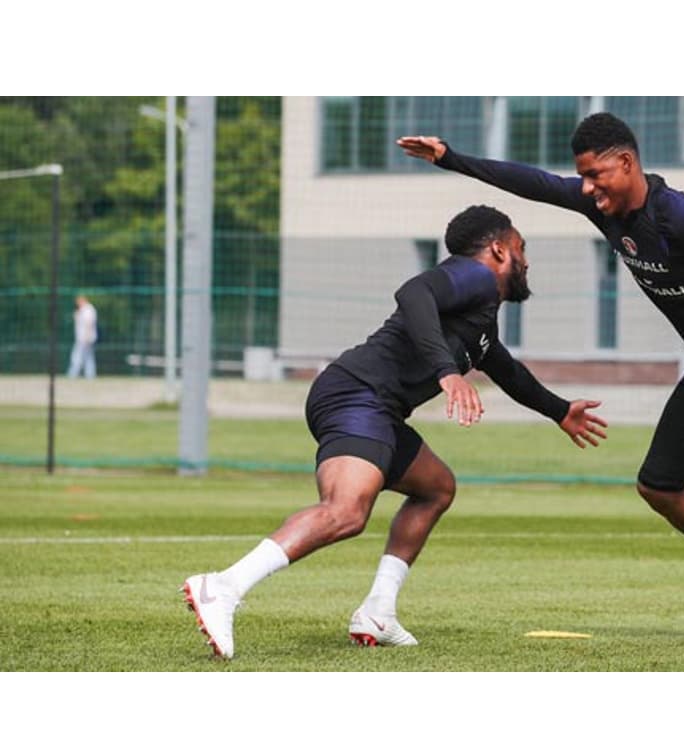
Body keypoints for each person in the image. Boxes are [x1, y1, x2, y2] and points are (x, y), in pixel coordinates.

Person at [398, 112, 684, 658]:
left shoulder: (683, 216)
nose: (586, 188)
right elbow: (533, 183)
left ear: (625, 163)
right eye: (581, 178)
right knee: (659, 484)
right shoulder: (600, 207)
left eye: (595, 175)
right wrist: (451, 158)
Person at [182, 205, 608, 659]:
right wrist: (447, 373)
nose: (526, 260)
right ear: (499, 249)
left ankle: (378, 611)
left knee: (436, 488)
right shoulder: (474, 277)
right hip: (356, 394)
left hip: (379, 408)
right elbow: (414, 292)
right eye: (521, 249)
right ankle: (223, 587)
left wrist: (560, 411)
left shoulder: (481, 317)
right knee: (346, 512)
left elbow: (507, 370)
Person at [67, 294, 97, 378]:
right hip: (83, 337)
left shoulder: (88, 309)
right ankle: (90, 375)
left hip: (84, 338)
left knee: (77, 356)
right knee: (88, 357)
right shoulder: (83, 310)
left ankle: (73, 374)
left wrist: (86, 336)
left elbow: (89, 323)